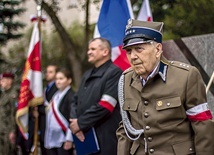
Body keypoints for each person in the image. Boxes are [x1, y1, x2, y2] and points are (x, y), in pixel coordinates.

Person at [116, 19, 214, 155]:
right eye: (128, 51)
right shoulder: (125, 80)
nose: (133, 56)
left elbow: (202, 125)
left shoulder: (185, 76)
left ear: (158, 49)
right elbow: (125, 129)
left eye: (139, 49)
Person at [69, 37, 122, 155]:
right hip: (86, 137)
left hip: (105, 138)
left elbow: (106, 105)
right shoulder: (87, 74)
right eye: (88, 49)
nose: (88, 52)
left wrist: (80, 123)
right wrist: (75, 123)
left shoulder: (115, 73)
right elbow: (75, 101)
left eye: (93, 49)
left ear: (105, 52)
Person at [44, 68, 75, 155]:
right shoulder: (56, 95)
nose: (58, 81)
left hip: (64, 138)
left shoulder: (71, 95)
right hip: (53, 138)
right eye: (56, 79)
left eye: (61, 79)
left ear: (69, 80)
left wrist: (69, 138)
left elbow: (72, 117)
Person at [38, 64, 58, 155]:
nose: (47, 74)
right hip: (43, 124)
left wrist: (40, 109)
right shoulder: (45, 88)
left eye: (50, 72)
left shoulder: (57, 88)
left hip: (53, 126)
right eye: (46, 72)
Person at [0, 72, 18, 155]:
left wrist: (12, 131)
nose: (1, 83)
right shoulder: (4, 94)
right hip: (2, 129)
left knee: (9, 152)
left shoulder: (13, 95)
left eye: (3, 81)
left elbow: (13, 114)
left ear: (10, 81)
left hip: (8, 130)